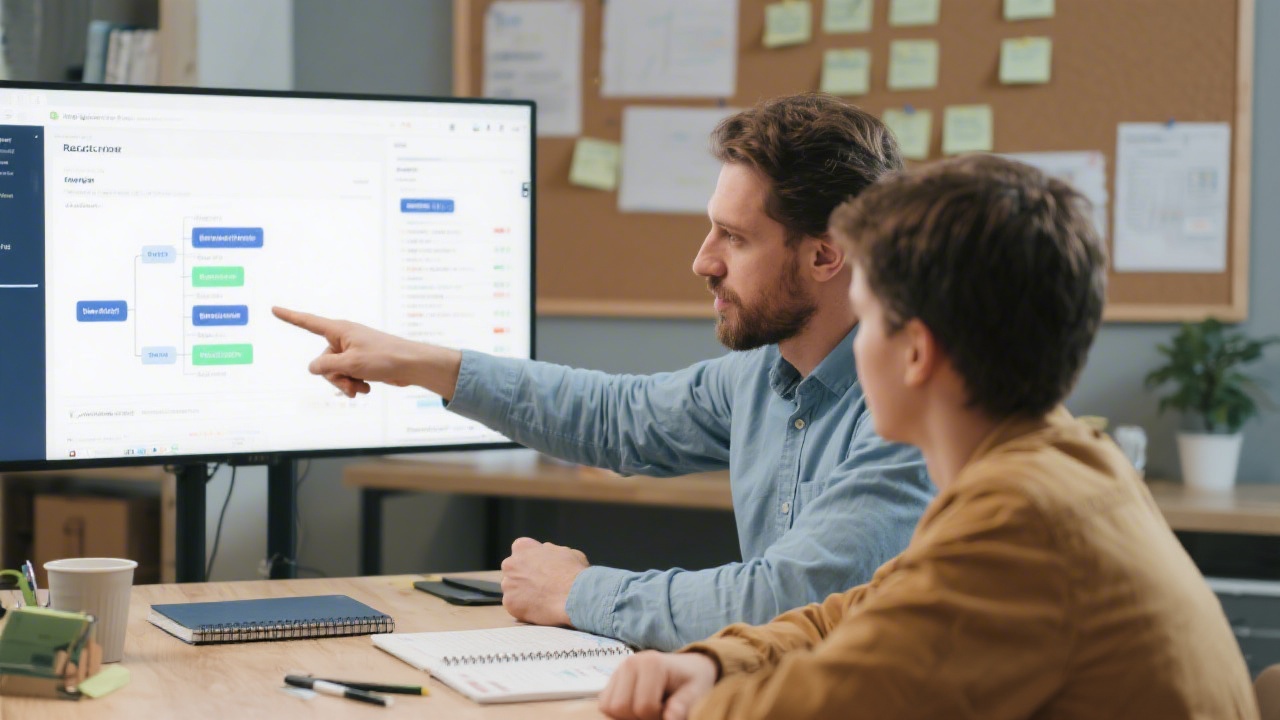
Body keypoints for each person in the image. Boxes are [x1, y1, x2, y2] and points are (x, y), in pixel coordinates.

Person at [597, 155, 1259, 720]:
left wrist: (690, 703)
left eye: (868, 319)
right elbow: (868, 609)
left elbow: (838, 702)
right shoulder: (1060, 461)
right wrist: (717, 661)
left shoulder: (1027, 518)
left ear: (916, 353)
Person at [273, 93, 932, 651]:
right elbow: (619, 418)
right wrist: (420, 364)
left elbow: (784, 601)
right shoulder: (767, 373)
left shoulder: (911, 411)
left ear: (825, 256)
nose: (703, 262)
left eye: (734, 237)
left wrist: (577, 591)